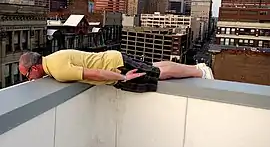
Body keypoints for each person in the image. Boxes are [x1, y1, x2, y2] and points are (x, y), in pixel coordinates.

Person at [18, 49, 214, 93]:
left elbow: (95, 74)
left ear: (34, 68)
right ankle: (196, 69)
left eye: (27, 75)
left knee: (159, 74)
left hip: (115, 67)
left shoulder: (58, 70)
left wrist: (123, 76)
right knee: (155, 67)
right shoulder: (52, 60)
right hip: (113, 58)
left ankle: (200, 72)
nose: (29, 80)